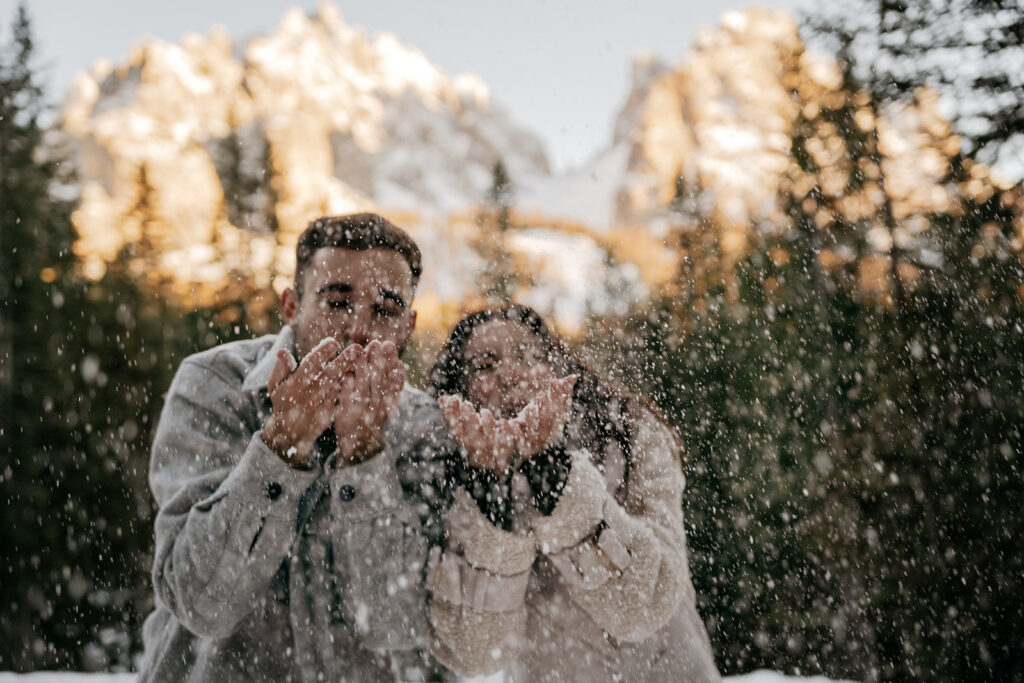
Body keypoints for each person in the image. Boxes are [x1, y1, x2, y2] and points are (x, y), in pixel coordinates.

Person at [138, 213, 450, 682]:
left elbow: (394, 621)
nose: (359, 329)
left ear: (408, 326)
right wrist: (282, 446)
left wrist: (364, 452)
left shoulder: (423, 426)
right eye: (338, 301)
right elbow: (201, 602)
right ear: (290, 305)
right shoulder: (214, 386)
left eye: (385, 310)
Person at [426, 304, 721, 681]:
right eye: (484, 365)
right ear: (460, 390)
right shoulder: (445, 473)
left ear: (556, 366)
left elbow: (645, 606)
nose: (509, 375)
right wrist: (489, 496)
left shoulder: (630, 433)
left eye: (527, 356)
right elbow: (475, 653)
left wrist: (554, 475)